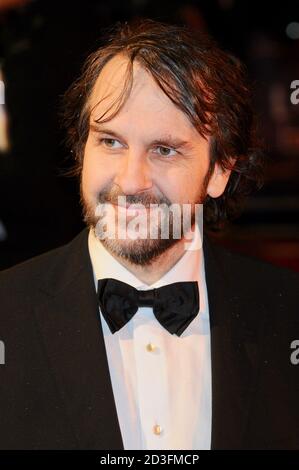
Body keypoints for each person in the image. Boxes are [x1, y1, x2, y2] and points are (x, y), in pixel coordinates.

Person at [0, 18, 298, 450]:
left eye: (164, 150)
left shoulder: (287, 314)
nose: (131, 180)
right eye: (110, 142)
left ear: (219, 170)